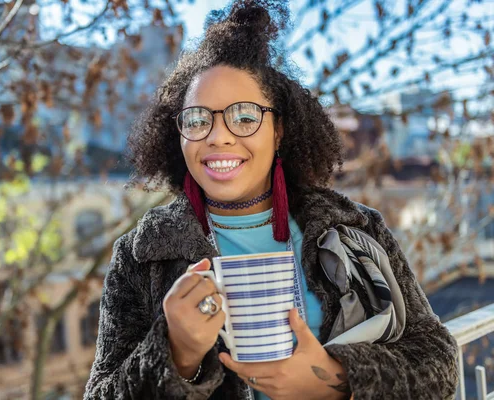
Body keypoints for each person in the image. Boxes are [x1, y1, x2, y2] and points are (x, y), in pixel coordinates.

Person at [84, 0, 459, 399]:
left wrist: (337, 378)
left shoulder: (352, 229)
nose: (218, 136)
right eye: (197, 119)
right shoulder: (143, 256)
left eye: (244, 117)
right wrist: (177, 353)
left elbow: (439, 360)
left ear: (279, 130)